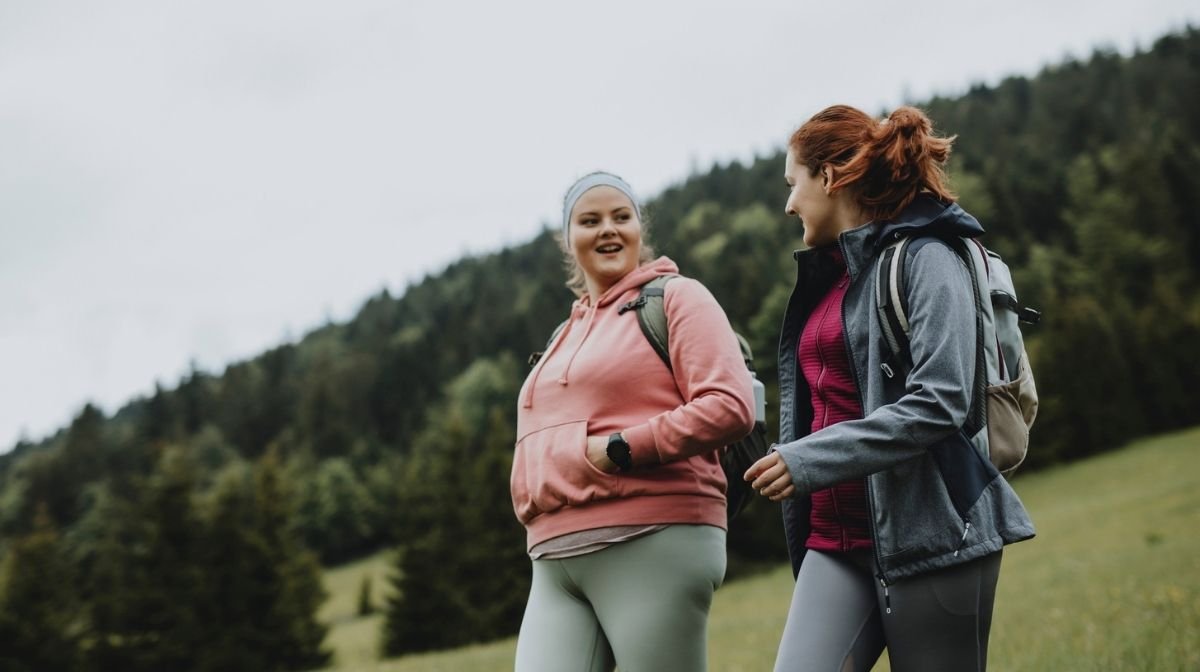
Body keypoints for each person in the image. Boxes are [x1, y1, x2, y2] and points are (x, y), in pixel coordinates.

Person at [744, 105, 1036, 672]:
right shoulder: (835, 279)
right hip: (835, 542)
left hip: (931, 537)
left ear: (828, 177)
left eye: (792, 183)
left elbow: (941, 401)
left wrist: (810, 459)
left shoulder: (929, 258)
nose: (788, 204)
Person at [510, 171, 756, 672]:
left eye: (621, 217)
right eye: (590, 219)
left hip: (654, 537)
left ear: (640, 229)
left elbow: (730, 405)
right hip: (554, 557)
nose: (608, 229)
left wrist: (622, 447)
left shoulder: (676, 297)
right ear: (568, 238)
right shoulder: (566, 330)